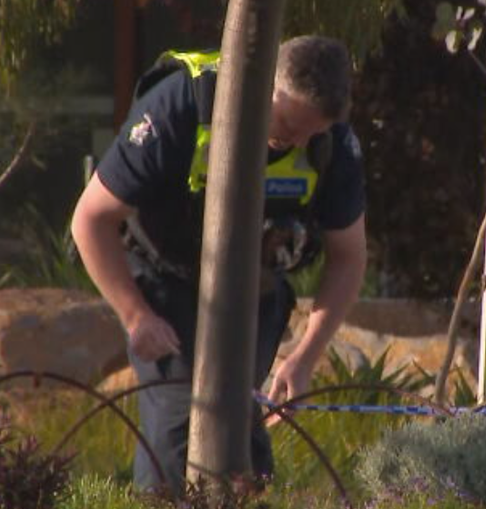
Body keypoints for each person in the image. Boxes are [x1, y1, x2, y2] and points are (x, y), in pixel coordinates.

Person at [70, 36, 367, 493]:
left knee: (239, 434)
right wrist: (136, 317)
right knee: (180, 425)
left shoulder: (333, 146)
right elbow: (90, 221)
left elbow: (348, 257)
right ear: (263, 85)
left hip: (253, 290)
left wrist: (304, 357)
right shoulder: (183, 105)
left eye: (313, 133)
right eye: (290, 124)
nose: (297, 141)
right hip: (164, 282)